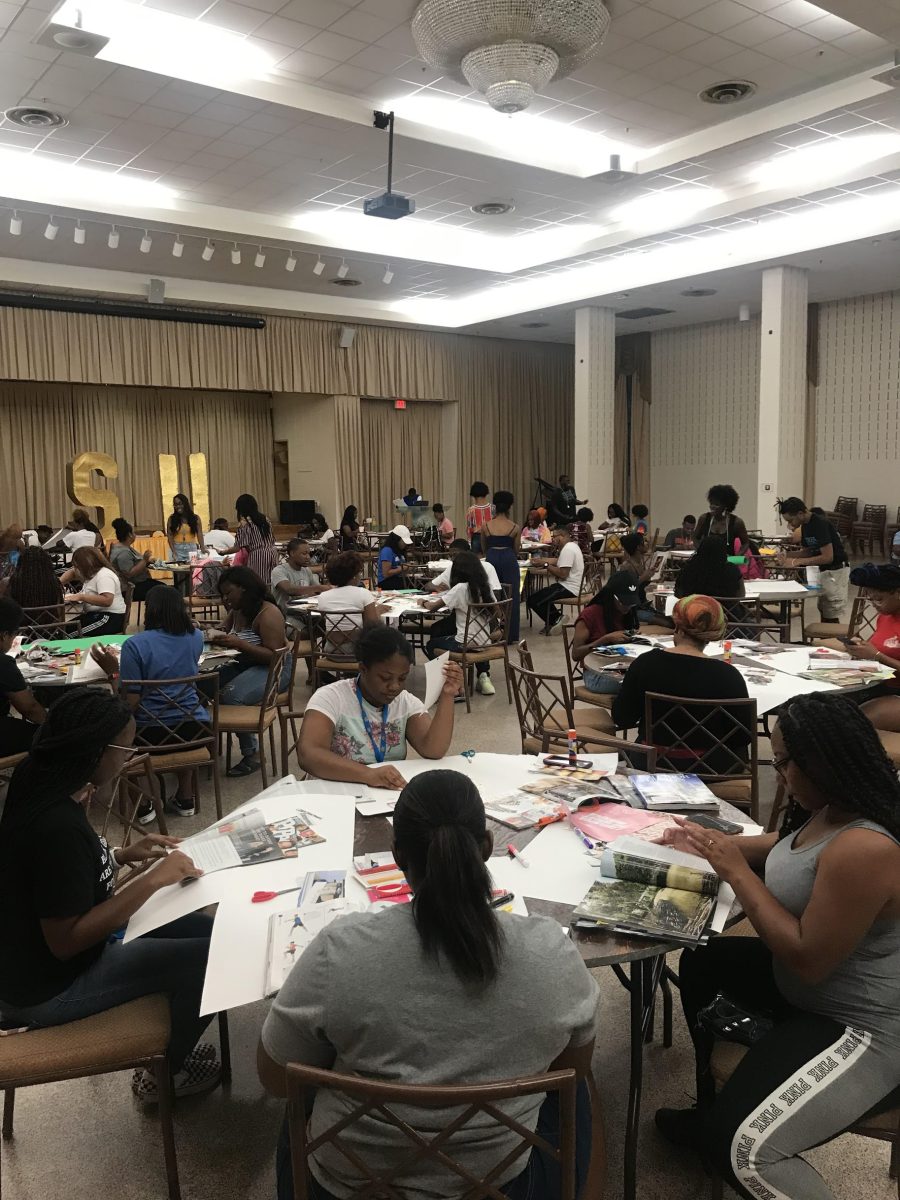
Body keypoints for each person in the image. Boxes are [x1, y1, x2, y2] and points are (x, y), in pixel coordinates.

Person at [259, 770, 599, 1200]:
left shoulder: (338, 950)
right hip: (497, 1184)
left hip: (350, 1188)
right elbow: (574, 1067)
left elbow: (274, 1076)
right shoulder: (552, 953)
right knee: (579, 1090)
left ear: (398, 855)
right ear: (488, 849)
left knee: (304, 1081)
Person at [655, 694, 900, 1200]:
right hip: (815, 994)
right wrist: (707, 842)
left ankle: (721, 1128)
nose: (779, 772)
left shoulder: (866, 847)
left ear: (825, 762)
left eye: (785, 762)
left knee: (743, 1153)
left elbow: (807, 959)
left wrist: (737, 872)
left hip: (864, 1024)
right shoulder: (832, 807)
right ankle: (710, 1109)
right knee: (705, 958)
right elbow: (783, 849)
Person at [0, 689, 220, 1104]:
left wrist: (120, 855)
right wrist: (151, 881)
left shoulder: (40, 778)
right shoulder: (55, 826)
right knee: (212, 959)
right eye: (126, 747)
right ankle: (164, 1076)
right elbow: (65, 942)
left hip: (46, 959)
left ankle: (175, 1036)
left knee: (211, 930)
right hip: (51, 987)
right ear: (99, 752)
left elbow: (57, 880)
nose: (129, 756)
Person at [92, 585, 209, 820]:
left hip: (150, 733)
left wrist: (113, 673)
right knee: (183, 712)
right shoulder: (196, 637)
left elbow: (128, 705)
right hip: (196, 728)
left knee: (118, 729)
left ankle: (143, 804)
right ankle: (185, 796)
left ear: (150, 611)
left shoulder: (136, 645)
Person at [298, 627, 463, 789]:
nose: (394, 686)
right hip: (332, 793)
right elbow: (309, 754)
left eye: (402, 678)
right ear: (363, 669)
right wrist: (368, 774)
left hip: (380, 798)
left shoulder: (405, 703)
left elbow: (433, 749)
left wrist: (447, 695)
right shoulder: (332, 697)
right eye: (385, 678)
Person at [612, 595, 749, 772]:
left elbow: (622, 717)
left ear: (677, 626)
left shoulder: (645, 663)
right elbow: (742, 736)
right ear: (711, 635)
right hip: (709, 768)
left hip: (652, 761)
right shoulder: (729, 675)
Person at [209, 566, 291, 777]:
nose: (225, 599)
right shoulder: (238, 610)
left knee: (229, 696)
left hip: (275, 669)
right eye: (223, 594)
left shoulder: (268, 613)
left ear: (244, 589)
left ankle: (253, 754)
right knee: (203, 685)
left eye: (228, 593)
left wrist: (239, 644)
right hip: (245, 663)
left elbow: (275, 656)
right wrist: (208, 633)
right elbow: (223, 629)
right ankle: (204, 744)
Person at [423, 551, 497, 695]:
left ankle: (454, 682)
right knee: (456, 634)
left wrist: (423, 602)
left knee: (432, 644)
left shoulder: (460, 588)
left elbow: (433, 607)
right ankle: (483, 676)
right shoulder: (485, 587)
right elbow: (498, 612)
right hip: (486, 641)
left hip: (464, 643)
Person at [844, 563, 900, 732]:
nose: (874, 605)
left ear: (898, 593)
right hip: (878, 685)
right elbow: (884, 647)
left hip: (895, 691)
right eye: (870, 599)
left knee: (853, 723)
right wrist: (862, 650)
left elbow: (880, 654)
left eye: (879, 599)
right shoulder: (886, 617)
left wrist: (876, 655)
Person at [778, 498, 849, 623]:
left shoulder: (820, 524)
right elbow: (807, 551)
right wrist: (787, 555)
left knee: (831, 613)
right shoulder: (805, 526)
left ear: (800, 513)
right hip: (823, 572)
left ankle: (832, 640)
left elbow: (828, 557)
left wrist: (798, 562)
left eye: (790, 520)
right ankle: (826, 639)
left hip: (835, 571)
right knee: (823, 610)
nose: (790, 525)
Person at [572, 571, 641, 697]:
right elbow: (576, 654)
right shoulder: (590, 614)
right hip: (596, 675)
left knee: (650, 678)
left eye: (631, 603)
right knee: (641, 684)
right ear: (611, 596)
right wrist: (605, 639)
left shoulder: (626, 613)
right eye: (623, 602)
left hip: (621, 668)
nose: (627, 607)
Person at [0, 596, 46, 755]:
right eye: (14, 636)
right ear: (4, 635)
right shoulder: (3, 663)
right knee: (51, 738)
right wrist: (53, 725)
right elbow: (30, 709)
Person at [480, 490, 521, 643]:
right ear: (510, 506)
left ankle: (491, 632)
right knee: (511, 597)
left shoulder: (486, 526)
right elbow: (517, 550)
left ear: (494, 506)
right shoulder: (515, 527)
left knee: (490, 595)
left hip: (491, 558)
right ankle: (510, 635)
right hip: (509, 559)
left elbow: (484, 548)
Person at [527, 524, 585, 632]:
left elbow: (563, 574)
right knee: (541, 596)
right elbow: (558, 560)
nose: (553, 540)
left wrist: (545, 565)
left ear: (562, 536)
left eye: (554, 537)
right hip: (570, 585)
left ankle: (555, 619)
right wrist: (542, 560)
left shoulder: (568, 550)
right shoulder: (572, 546)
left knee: (533, 600)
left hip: (569, 587)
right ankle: (555, 619)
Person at [60, 546, 127, 636]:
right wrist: (58, 583)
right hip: (96, 615)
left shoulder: (104, 575)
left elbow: (107, 600)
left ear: (85, 565)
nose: (75, 569)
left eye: (77, 566)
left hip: (109, 617)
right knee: (63, 630)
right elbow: (72, 572)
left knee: (68, 635)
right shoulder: (91, 572)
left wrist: (80, 597)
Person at [316, 552, 384, 636]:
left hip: (331, 646)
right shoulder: (363, 593)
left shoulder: (323, 596)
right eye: (360, 572)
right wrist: (378, 610)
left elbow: (327, 621)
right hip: (358, 646)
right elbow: (372, 626)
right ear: (354, 576)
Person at [218, 493, 278, 584]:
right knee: (272, 581)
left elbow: (237, 547)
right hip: (273, 552)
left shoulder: (245, 523)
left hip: (258, 555)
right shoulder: (265, 519)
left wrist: (222, 552)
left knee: (258, 582)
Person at [271, 539, 329, 625]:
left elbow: (317, 592)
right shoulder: (279, 571)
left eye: (309, 553)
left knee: (326, 624)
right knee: (305, 632)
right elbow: (289, 590)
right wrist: (319, 588)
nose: (308, 557)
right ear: (292, 553)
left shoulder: (306, 570)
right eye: (304, 554)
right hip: (285, 615)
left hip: (305, 612)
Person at [674, 536, 745, 604]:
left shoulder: (689, 569)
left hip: (693, 613)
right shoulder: (732, 570)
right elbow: (741, 595)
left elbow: (679, 594)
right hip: (728, 613)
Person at [109, 518, 163, 604]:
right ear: (130, 535)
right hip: (131, 588)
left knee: (164, 588)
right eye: (133, 532)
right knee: (164, 591)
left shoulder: (124, 547)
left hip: (138, 583)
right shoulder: (123, 552)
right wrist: (144, 560)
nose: (135, 535)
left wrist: (147, 561)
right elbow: (129, 573)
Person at [6, 546, 64, 617]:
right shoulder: (54, 583)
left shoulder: (11, 584)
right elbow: (61, 615)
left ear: (20, 563)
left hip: (19, 626)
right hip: (50, 627)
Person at [620, 531, 663, 626]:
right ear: (638, 547)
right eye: (644, 542)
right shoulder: (627, 567)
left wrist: (653, 577)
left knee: (667, 617)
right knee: (665, 621)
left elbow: (643, 585)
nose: (647, 544)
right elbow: (627, 590)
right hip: (634, 609)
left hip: (643, 604)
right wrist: (643, 578)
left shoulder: (640, 563)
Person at [430, 539, 501, 595]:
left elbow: (496, 593)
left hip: (481, 609)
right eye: (450, 556)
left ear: (468, 553)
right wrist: (437, 588)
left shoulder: (487, 567)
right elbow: (428, 586)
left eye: (456, 555)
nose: (452, 559)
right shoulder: (452, 567)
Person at [694, 485, 749, 552]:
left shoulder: (736, 522)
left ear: (725, 506)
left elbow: (746, 543)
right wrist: (700, 551)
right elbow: (695, 538)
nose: (712, 507)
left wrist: (736, 557)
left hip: (727, 561)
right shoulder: (704, 519)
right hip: (707, 561)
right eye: (711, 503)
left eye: (716, 504)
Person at [166, 493, 203, 563]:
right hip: (177, 548)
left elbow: (199, 534)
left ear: (185, 504)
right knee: (178, 571)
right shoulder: (171, 519)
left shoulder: (195, 518)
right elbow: (169, 536)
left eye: (180, 504)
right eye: (175, 505)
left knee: (192, 570)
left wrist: (202, 548)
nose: (178, 507)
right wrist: (173, 551)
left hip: (191, 548)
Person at [377, 526, 412, 590]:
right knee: (412, 584)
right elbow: (386, 574)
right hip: (386, 582)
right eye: (403, 541)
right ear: (397, 539)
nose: (405, 544)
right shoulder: (387, 551)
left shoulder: (399, 550)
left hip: (397, 579)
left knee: (417, 581)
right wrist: (402, 568)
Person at [465, 482, 493, 554]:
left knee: (477, 561)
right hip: (490, 536)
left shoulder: (471, 510)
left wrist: (469, 542)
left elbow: (469, 529)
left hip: (477, 537)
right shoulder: (493, 508)